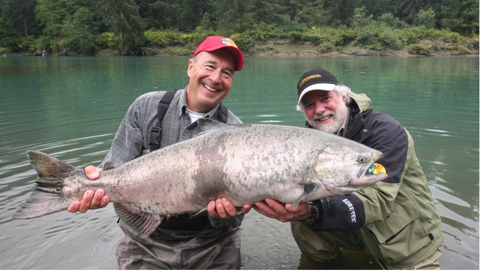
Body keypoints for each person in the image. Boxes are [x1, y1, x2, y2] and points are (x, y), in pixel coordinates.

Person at [67, 36, 252, 269]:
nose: (216, 78)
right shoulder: (146, 108)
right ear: (190, 67)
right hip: (145, 243)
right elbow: (114, 166)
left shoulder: (238, 134)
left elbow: (239, 214)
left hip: (212, 244)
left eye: (227, 73)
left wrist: (225, 214)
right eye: (210, 66)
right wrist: (95, 184)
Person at [253, 67, 444, 269]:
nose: (319, 110)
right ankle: (325, 263)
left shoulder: (387, 132)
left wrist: (314, 212)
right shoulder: (309, 140)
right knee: (300, 209)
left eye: (325, 98)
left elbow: (378, 200)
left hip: (405, 240)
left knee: (311, 211)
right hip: (352, 226)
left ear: (344, 97)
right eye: (310, 105)